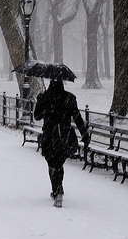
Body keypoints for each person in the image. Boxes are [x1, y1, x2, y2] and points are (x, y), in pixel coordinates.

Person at [33, 78, 89, 208]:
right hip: (65, 136)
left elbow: (37, 116)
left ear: (50, 84)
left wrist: (41, 101)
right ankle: (58, 188)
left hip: (50, 136)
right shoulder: (69, 97)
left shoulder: (45, 97)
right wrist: (84, 134)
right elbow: (77, 117)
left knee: (52, 163)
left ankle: (57, 190)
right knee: (58, 163)